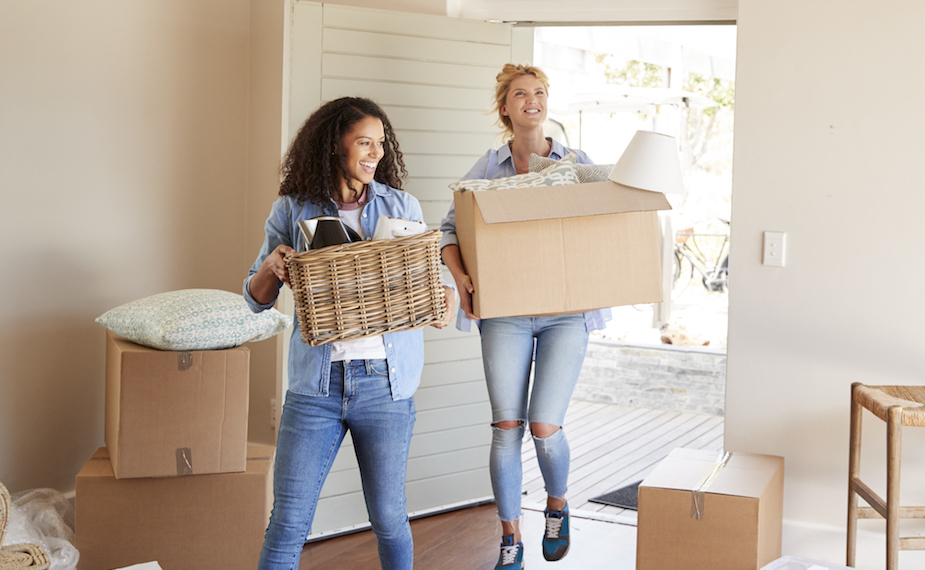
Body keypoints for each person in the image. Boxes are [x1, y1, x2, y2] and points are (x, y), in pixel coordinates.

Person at [244, 97, 455, 570]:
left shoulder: (401, 205)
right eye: (364, 142)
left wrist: (448, 298)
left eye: (381, 144)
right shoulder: (293, 208)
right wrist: (274, 267)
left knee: (388, 518)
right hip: (314, 389)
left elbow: (425, 279)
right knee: (288, 523)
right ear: (333, 144)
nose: (376, 153)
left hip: (386, 383)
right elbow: (254, 298)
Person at [439, 64, 611, 570]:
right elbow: (450, 228)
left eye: (539, 92)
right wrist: (462, 278)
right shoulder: (487, 168)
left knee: (543, 425)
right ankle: (510, 536)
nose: (532, 100)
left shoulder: (576, 161)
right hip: (506, 315)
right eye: (521, 94)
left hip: (565, 314)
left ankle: (557, 506)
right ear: (505, 109)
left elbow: (604, 221)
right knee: (506, 426)